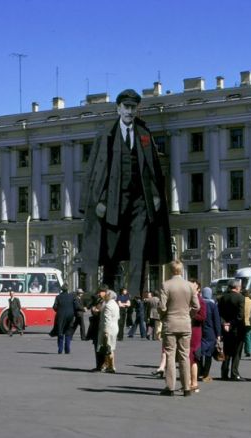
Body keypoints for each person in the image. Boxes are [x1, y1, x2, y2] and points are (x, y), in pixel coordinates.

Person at [79, 88, 172, 297]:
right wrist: (96, 201)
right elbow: (93, 170)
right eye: (126, 107)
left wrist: (157, 196)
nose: (130, 111)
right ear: (118, 108)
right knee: (111, 251)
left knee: (138, 250)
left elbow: (153, 168)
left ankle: (134, 297)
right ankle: (109, 293)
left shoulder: (144, 133)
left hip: (141, 201)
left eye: (133, 107)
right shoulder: (105, 134)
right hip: (113, 200)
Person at [158, 260, 199, 397]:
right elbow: (196, 306)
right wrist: (189, 315)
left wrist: (164, 316)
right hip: (185, 323)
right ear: (181, 270)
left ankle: (170, 387)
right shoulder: (190, 286)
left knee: (170, 355)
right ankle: (186, 387)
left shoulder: (166, 285)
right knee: (184, 355)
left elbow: (162, 306)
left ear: (171, 270)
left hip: (170, 323)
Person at [217, 278, 245, 381]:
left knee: (227, 350)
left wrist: (225, 323)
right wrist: (231, 323)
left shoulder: (221, 298)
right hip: (237, 328)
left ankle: (224, 372)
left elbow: (219, 314)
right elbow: (240, 316)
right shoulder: (241, 298)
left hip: (225, 328)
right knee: (237, 352)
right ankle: (234, 373)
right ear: (237, 287)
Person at [199, 287, 221, 383]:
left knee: (199, 353)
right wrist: (218, 334)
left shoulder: (199, 303)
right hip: (210, 332)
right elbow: (217, 321)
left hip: (200, 331)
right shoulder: (212, 305)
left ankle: (199, 370)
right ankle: (206, 374)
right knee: (209, 354)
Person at [189, 280, 206, 393]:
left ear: (198, 289)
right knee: (187, 358)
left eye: (193, 286)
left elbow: (203, 317)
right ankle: (189, 382)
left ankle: (194, 383)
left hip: (195, 331)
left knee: (193, 357)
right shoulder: (188, 299)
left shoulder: (201, 301)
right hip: (187, 330)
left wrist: (191, 315)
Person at [98, 289, 120, 373]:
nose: (104, 295)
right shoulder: (115, 304)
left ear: (109, 296)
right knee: (111, 347)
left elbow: (106, 320)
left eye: (106, 294)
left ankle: (112, 366)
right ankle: (109, 366)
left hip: (109, 328)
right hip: (115, 327)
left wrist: (106, 331)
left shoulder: (108, 306)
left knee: (109, 348)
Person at [87, 285, 107, 371]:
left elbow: (103, 312)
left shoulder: (107, 301)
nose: (99, 293)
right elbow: (90, 306)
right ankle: (99, 365)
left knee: (103, 347)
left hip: (102, 326)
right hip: (96, 327)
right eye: (98, 292)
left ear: (105, 292)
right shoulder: (97, 300)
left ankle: (103, 365)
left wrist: (97, 311)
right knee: (96, 346)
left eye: (101, 292)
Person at [53, 286, 76, 354]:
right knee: (68, 332)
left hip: (60, 316)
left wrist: (59, 310)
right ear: (67, 290)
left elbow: (54, 307)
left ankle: (60, 349)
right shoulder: (72, 296)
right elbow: (76, 306)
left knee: (60, 332)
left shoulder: (58, 297)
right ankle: (67, 349)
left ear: (61, 290)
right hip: (70, 316)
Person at [243, 289, 251, 357]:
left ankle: (240, 350)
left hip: (241, 321)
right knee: (248, 336)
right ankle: (248, 350)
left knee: (240, 336)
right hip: (249, 321)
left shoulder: (241, 300)